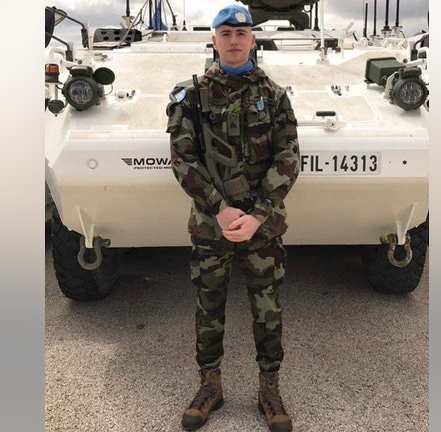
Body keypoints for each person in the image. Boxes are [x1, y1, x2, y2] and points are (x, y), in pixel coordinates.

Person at [165, 4, 300, 432]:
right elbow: (182, 159)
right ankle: (211, 384)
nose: (235, 40)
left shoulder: (275, 96)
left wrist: (258, 215)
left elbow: (288, 159)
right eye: (226, 33)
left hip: (262, 225)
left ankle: (269, 388)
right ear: (214, 40)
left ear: (253, 40)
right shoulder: (192, 96)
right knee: (209, 306)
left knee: (268, 307)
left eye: (242, 33)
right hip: (211, 224)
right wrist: (220, 208)